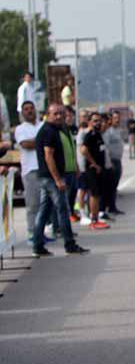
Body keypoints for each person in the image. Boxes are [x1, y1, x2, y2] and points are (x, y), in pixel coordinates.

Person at [31, 104, 88, 257]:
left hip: (48, 177)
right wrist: (57, 179)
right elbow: (48, 156)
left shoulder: (56, 130)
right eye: (55, 114)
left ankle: (37, 245)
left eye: (61, 113)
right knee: (63, 209)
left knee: (44, 211)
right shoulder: (49, 131)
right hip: (50, 178)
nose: (59, 116)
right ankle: (70, 244)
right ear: (48, 115)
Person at [14, 101, 50, 246]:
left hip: (46, 169)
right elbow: (25, 145)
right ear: (22, 113)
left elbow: (51, 142)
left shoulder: (43, 125)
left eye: (31, 108)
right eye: (26, 109)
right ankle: (31, 233)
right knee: (33, 204)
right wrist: (41, 142)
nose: (29, 111)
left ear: (36, 110)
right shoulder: (20, 129)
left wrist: (38, 142)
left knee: (45, 204)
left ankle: (40, 233)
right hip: (30, 170)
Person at [79, 112, 110, 229]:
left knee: (97, 195)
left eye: (99, 121)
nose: (97, 123)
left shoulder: (98, 134)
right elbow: (83, 150)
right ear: (90, 122)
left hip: (99, 169)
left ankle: (96, 217)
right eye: (95, 121)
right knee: (94, 194)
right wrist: (94, 164)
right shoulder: (90, 135)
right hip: (92, 170)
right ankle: (94, 220)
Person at [104, 110, 126, 215]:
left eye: (118, 118)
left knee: (115, 185)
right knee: (110, 185)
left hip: (118, 160)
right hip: (112, 160)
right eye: (115, 118)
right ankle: (108, 206)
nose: (117, 120)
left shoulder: (118, 130)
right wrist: (109, 162)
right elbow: (106, 148)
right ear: (110, 120)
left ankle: (113, 206)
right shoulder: (109, 132)